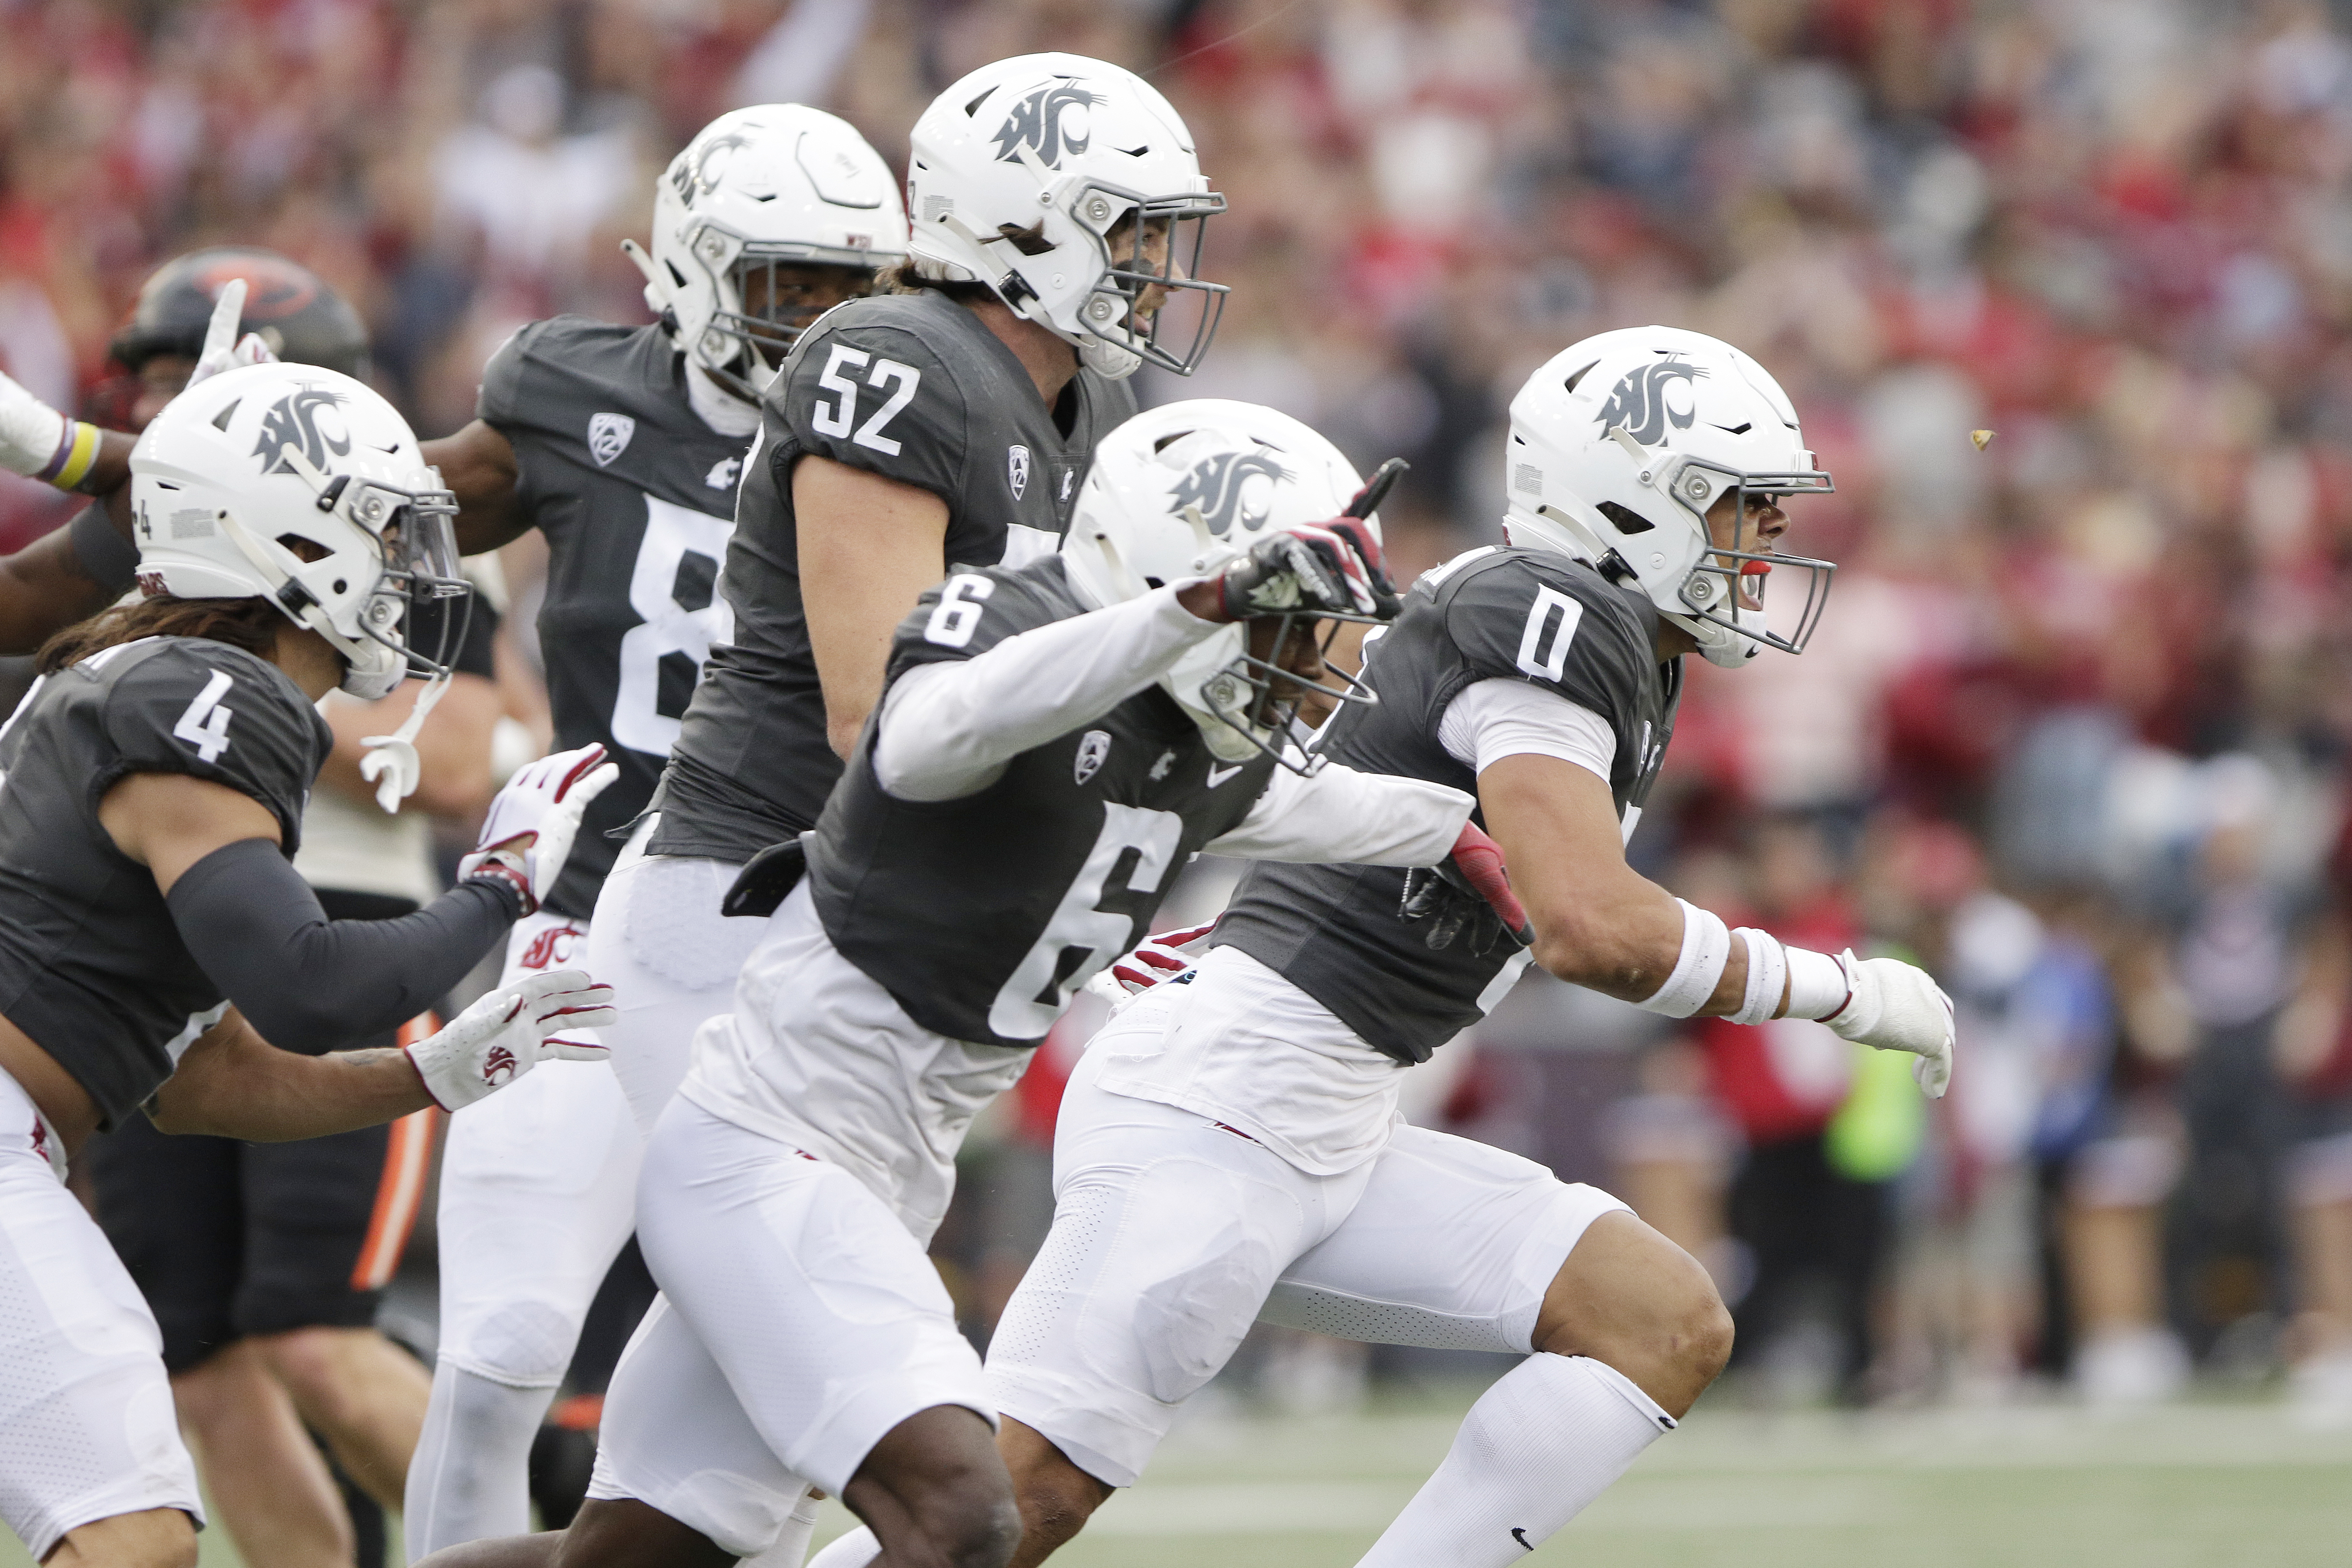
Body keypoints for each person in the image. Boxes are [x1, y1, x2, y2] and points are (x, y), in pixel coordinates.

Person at [809, 327, 1958, 1568]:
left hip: (1327, 1119)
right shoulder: (1550, 610)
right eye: (1737, 507)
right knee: (995, 1517)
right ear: (1631, 501)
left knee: (1656, 1318)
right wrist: (1840, 990)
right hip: (1223, 1110)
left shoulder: (1582, 628)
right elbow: (1590, 926)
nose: (1763, 544)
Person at [416, 401, 1526, 1568]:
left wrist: (1459, 830)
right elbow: (921, 735)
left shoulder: (1195, 741)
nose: (1317, 667)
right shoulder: (1018, 621)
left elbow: (1313, 807)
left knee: (637, 1560)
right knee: (963, 1518)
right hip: (769, 1150)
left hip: (877, 1168)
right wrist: (1188, 612)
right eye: (1297, 626)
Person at [0, 357, 622, 1568]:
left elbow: (204, 1073)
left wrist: (433, 1072)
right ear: (280, 533)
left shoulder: (155, 679)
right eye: (382, 533)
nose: (406, 569)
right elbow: (312, 984)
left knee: (130, 1532)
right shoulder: (210, 690)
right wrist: (499, 881)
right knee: (128, 1534)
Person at [396, 104, 912, 1559]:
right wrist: (122, 468)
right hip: (586, 926)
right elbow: (371, 522)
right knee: (501, 1348)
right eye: (784, 284)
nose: (818, 324)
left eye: (848, 289)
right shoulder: (574, 394)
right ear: (689, 269)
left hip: (801, 956)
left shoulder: (924, 434)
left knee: (793, 1389)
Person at [608, 47, 1227, 1133]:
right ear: (1020, 227)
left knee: (753, 1278)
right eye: (1126, 230)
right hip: (745, 881)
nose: (1151, 266)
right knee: (768, 1262)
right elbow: (877, 717)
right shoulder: (892, 359)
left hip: (889, 914)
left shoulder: (1101, 403)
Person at [50, 248, 508, 1568]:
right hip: (173, 974)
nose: (153, 408)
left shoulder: (344, 565)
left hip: (316, 940)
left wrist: (269, 684)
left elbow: (479, 746)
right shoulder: (163, 603)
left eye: (173, 378)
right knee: (196, 1362)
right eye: (143, 379)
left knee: (309, 1337)